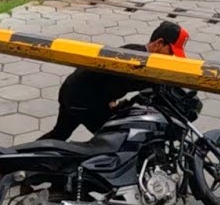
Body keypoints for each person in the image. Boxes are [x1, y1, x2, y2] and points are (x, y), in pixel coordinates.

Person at [39, 21, 190, 142]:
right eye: (171, 52)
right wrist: (111, 102)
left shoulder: (141, 54)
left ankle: (21, 163)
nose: (172, 57)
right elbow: (117, 84)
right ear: (159, 43)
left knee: (60, 134)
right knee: (111, 138)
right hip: (82, 100)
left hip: (73, 90)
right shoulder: (136, 59)